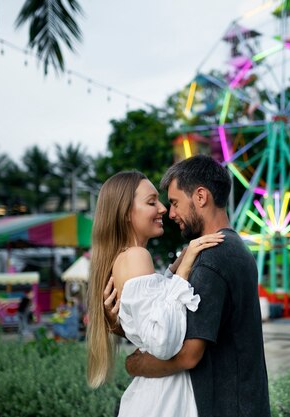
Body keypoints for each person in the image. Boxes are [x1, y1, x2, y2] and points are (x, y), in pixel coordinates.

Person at [104, 156, 271, 417]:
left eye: (174, 203)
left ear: (201, 197)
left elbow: (186, 355)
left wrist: (134, 363)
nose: (169, 213)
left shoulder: (210, 259)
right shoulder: (235, 249)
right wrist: (125, 323)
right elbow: (166, 322)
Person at [86, 170, 224, 417]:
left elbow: (152, 313)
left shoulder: (127, 258)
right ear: (126, 213)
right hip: (165, 402)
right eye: (151, 202)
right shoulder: (137, 256)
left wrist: (173, 271)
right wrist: (183, 272)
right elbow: (163, 342)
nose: (163, 209)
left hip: (155, 396)